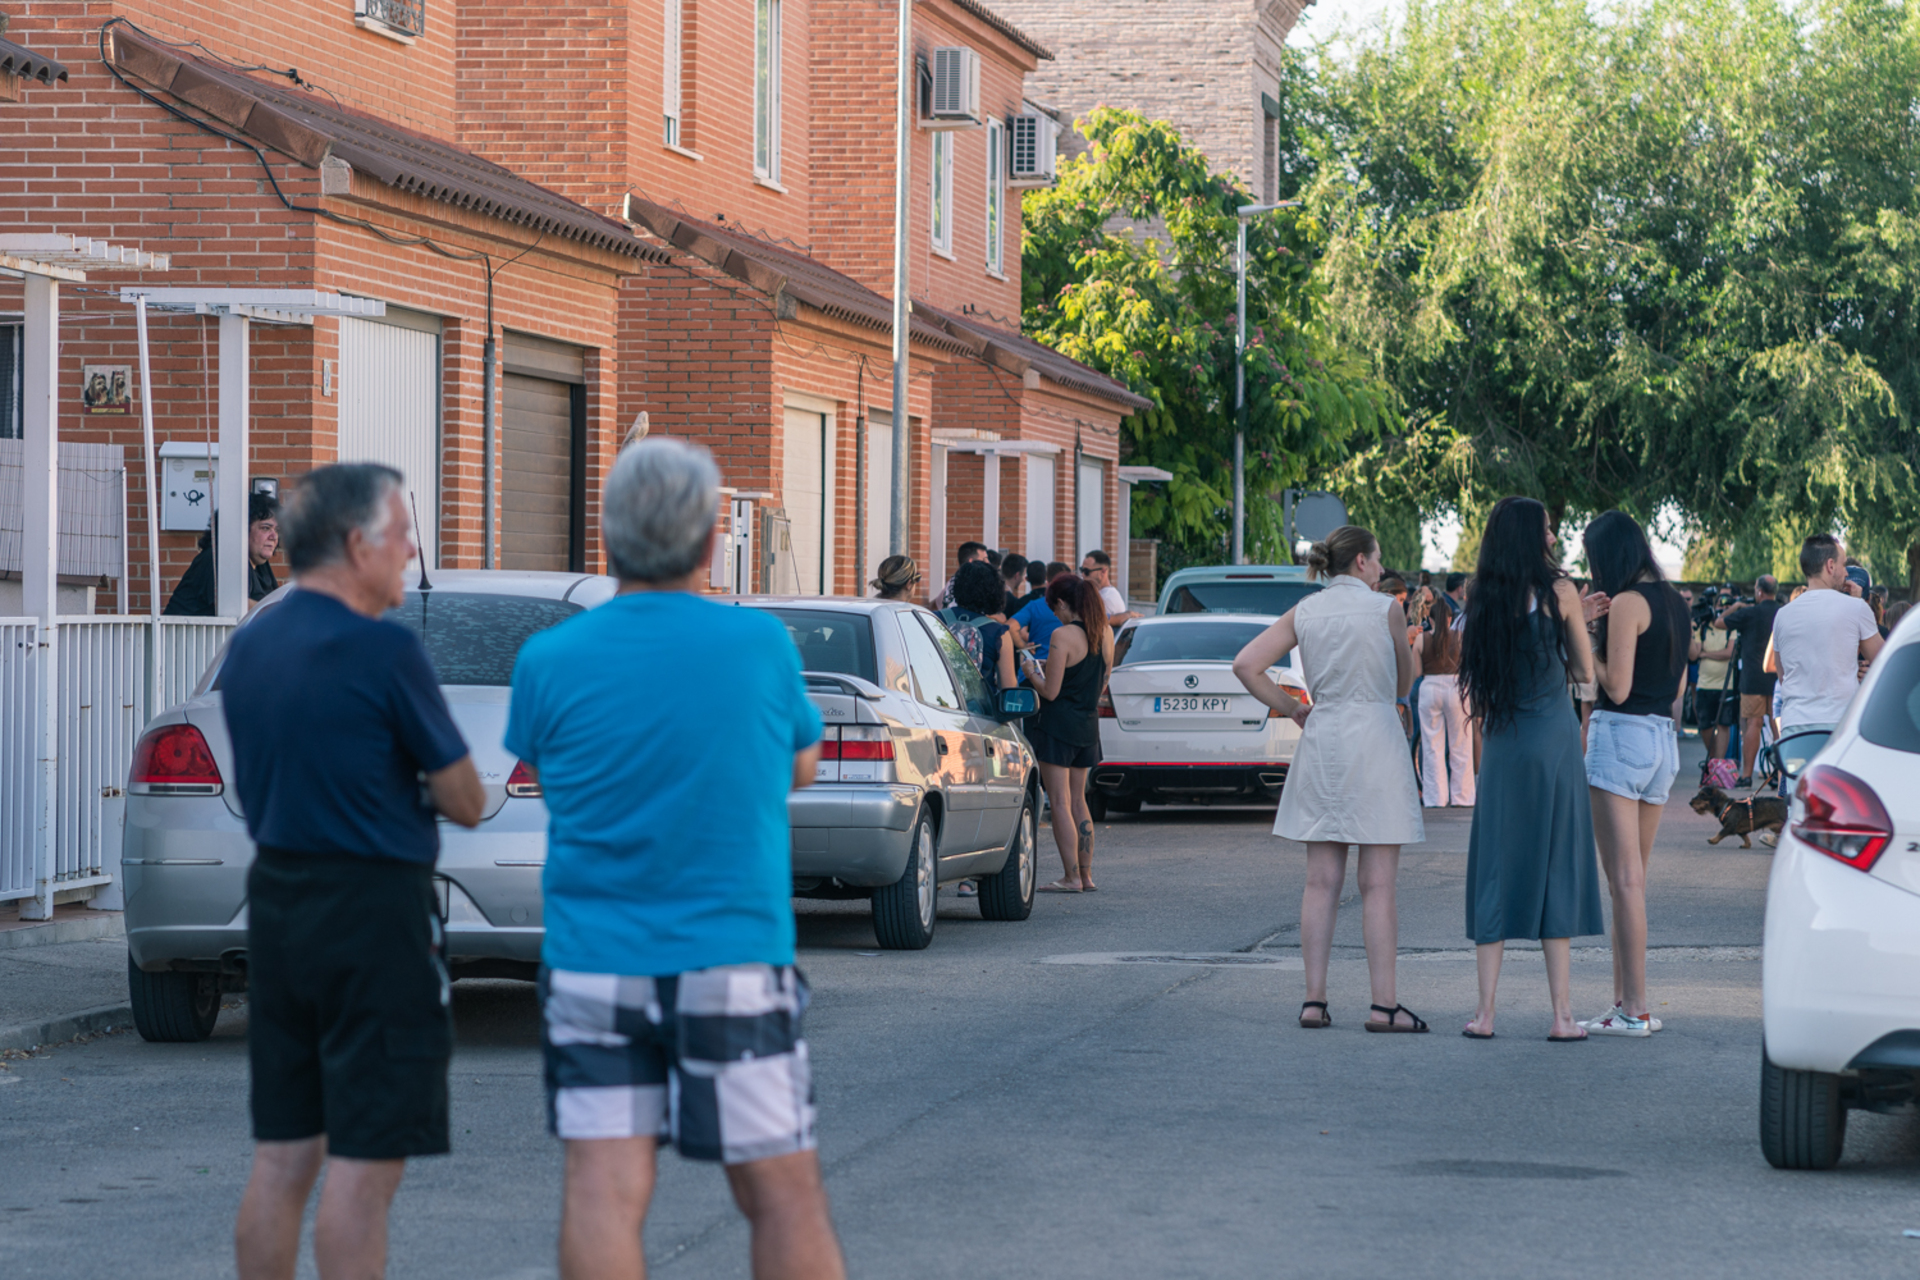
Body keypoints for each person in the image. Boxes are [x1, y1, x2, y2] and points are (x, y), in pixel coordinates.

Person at [505, 438, 844, 1280]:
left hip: (593, 960)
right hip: (730, 953)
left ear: (611, 542)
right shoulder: (760, 646)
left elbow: (547, 775)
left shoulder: (548, 659)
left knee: (602, 1188)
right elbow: (799, 762)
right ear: (705, 545)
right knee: (782, 1194)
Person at [222, 464, 486, 1280]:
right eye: (400, 534)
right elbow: (467, 797)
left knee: (285, 1153)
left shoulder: (254, 640)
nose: (411, 552)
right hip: (375, 911)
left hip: (278, 905)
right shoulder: (384, 649)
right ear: (352, 543)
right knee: (367, 1167)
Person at [1231, 524, 1429, 1034]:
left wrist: (1292, 708)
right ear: (1361, 561)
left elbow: (1246, 664)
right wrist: (1409, 647)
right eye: (1378, 559)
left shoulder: (1306, 610)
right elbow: (1404, 684)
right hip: (1376, 741)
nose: (1382, 569)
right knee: (1378, 884)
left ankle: (1313, 1001)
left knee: (1320, 881)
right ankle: (1384, 1006)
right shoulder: (1385, 608)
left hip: (1324, 738)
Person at [1457, 498, 1606, 1042]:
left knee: (1496, 863)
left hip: (1503, 741)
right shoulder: (1562, 591)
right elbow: (1584, 671)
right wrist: (1580, 624)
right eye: (1546, 529)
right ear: (1530, 536)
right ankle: (1563, 1016)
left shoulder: (1483, 597)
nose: (1552, 538)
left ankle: (1485, 1014)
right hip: (1554, 739)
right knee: (1556, 864)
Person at [1580, 511, 1694, 1038]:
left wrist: (1584, 638)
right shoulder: (1675, 602)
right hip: (1659, 741)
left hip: (1621, 733)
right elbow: (1674, 690)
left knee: (1622, 881)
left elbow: (1613, 685)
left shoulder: (1628, 603)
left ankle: (1635, 1008)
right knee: (1634, 882)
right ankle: (1627, 1003)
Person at [1017, 573, 1112, 894]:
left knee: (1057, 801)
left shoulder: (1062, 634)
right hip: (1088, 724)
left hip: (1057, 727)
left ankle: (1070, 878)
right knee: (1078, 801)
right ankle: (1086, 875)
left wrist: (1030, 670)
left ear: (1061, 603)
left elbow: (1051, 691)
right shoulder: (1106, 633)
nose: (1053, 615)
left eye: (1053, 608)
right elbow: (1100, 678)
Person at [1763, 534, 1884, 738]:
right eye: (1843, 565)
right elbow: (1884, 660)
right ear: (1830, 566)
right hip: (1838, 726)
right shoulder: (1856, 608)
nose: (1846, 573)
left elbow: (1783, 677)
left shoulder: (1782, 615)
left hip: (1794, 727)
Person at [166, 492, 281, 615]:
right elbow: (235, 604)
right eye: (265, 528)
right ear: (241, 529)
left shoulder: (260, 566)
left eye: (277, 530)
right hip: (185, 633)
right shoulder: (220, 558)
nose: (274, 536)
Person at [1719, 575, 1782, 786]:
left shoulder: (1748, 613)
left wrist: (1735, 606)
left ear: (1759, 591)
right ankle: (1780, 775)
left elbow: (1719, 622)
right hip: (1778, 678)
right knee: (1777, 727)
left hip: (1752, 679)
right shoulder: (1782, 612)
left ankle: (1746, 775)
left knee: (1753, 725)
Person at [1417, 586, 1475, 807]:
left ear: (1431, 620)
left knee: (1432, 747)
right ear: (1450, 618)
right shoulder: (1459, 637)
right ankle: (1463, 797)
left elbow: (1415, 672)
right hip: (1455, 686)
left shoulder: (1422, 639)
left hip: (1430, 686)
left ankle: (1435, 799)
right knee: (1461, 746)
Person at [1692, 604, 1738, 770]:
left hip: (1726, 685)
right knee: (1704, 725)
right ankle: (1713, 762)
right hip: (1704, 684)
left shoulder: (1730, 628)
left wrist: (1706, 654)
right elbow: (1694, 654)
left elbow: (1729, 653)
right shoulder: (1702, 628)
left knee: (1723, 724)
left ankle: (1718, 765)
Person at [1011, 570, 1072, 660]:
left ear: (1048, 583)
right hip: (1063, 666)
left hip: (1035, 665)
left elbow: (1010, 627)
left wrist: (1023, 647)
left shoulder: (1035, 605)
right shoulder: (1077, 609)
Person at [1079, 549, 1138, 630]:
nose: (1082, 575)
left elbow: (1095, 621)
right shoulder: (1104, 594)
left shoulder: (1106, 598)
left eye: (1086, 571)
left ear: (1103, 571)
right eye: (1081, 570)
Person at [934, 541, 988, 609]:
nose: (987, 562)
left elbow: (935, 605)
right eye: (984, 559)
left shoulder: (951, 583)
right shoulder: (971, 584)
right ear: (971, 562)